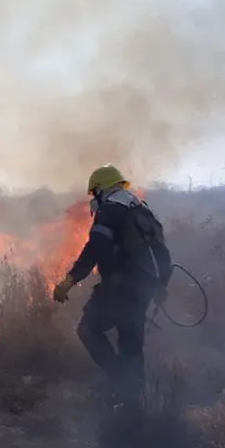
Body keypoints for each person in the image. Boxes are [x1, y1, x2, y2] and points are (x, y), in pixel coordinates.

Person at [52, 164, 171, 407]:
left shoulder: (110, 210)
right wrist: (160, 285)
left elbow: (95, 248)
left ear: (100, 190)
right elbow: (162, 252)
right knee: (131, 342)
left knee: (88, 329)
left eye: (93, 193)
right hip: (145, 287)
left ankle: (120, 380)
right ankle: (135, 402)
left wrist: (69, 280)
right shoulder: (141, 210)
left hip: (120, 287)